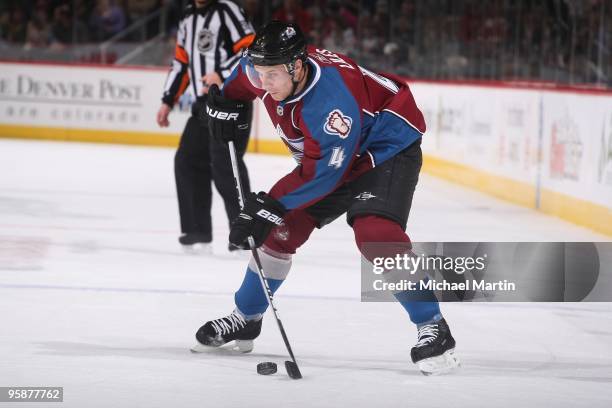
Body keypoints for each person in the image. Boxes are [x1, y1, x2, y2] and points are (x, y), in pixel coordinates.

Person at [191, 21, 460, 375]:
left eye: (272, 76)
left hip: (385, 148)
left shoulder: (331, 105)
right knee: (277, 232)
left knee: (376, 235)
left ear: (297, 66)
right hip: (332, 157)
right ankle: (246, 317)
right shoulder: (264, 67)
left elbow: (323, 175)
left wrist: (268, 205)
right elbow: (241, 82)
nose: (265, 85)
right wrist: (227, 102)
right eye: (260, 74)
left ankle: (434, 327)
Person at [157, 0, 254, 252]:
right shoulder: (188, 16)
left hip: (230, 99)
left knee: (225, 165)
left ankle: (246, 234)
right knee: (187, 159)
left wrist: (221, 73)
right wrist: (168, 100)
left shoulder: (227, 10)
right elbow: (181, 62)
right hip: (203, 103)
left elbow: (251, 48)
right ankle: (197, 229)